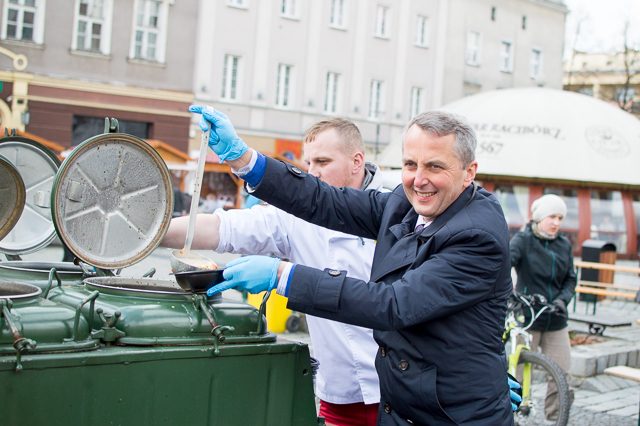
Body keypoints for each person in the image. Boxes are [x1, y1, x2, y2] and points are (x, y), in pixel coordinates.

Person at [190, 105, 516, 425]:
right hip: (407, 405)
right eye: (410, 164)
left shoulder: (476, 235)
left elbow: (393, 304)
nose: (419, 180)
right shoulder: (405, 204)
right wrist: (245, 160)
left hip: (453, 414)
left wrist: (282, 275)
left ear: (469, 172)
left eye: (434, 166)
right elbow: (327, 200)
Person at [162, 117, 386, 426]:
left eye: (323, 161)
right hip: (338, 392)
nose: (313, 173)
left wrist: (281, 275)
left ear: (356, 162)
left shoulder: (396, 207)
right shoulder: (296, 217)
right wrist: (150, 231)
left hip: (395, 393)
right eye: (308, 162)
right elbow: (223, 227)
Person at [509, 194, 576, 422]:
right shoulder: (523, 240)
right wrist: (509, 291)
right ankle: (511, 416)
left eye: (560, 217)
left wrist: (562, 300)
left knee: (563, 373)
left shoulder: (564, 245)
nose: (557, 222)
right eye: (552, 217)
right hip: (527, 317)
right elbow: (505, 262)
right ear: (539, 217)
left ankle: (556, 417)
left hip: (556, 318)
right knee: (516, 372)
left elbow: (570, 279)